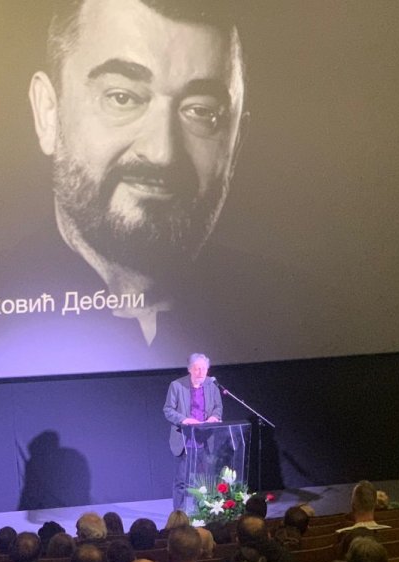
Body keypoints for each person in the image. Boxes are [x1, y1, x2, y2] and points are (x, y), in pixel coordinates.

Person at [29, 0, 247, 346]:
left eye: (201, 111)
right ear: (48, 113)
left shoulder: (303, 320)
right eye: (122, 97)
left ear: (236, 141)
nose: (162, 153)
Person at [163, 353, 223, 511]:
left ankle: (201, 512)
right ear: (190, 369)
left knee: (202, 482)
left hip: (205, 440)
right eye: (197, 368)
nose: (201, 372)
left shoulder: (212, 385)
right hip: (185, 440)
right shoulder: (177, 385)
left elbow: (218, 407)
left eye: (204, 368)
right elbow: (168, 410)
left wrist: (214, 417)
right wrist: (184, 420)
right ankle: (179, 515)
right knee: (181, 482)